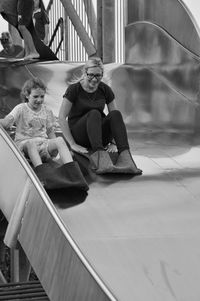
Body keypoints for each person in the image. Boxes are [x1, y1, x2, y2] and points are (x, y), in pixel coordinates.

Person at [0, 77, 89, 191]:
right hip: (24, 147)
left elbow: (50, 131)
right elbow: (7, 123)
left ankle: (75, 176)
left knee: (60, 141)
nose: (39, 100)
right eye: (35, 96)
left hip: (42, 146)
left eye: (42, 96)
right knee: (31, 143)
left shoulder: (47, 111)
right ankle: (44, 178)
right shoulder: (20, 108)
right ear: (27, 95)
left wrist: (56, 151)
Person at [58, 57, 142, 175]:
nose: (94, 79)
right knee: (94, 113)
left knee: (116, 114)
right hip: (80, 134)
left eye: (98, 76)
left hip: (98, 134)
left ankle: (125, 156)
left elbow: (114, 117)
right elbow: (61, 117)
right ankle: (100, 157)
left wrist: (113, 142)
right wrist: (72, 144)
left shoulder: (104, 89)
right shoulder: (74, 89)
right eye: (91, 75)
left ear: (102, 74)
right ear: (85, 72)